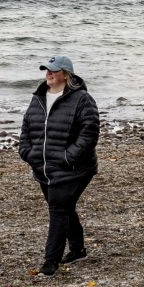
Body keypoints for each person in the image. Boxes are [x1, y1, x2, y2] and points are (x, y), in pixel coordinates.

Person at [18, 54, 100, 275]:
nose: (49, 73)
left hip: (75, 169)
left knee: (58, 209)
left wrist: (68, 157)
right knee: (63, 208)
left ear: (66, 75)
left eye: (54, 69)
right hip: (44, 168)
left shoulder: (82, 99)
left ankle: (50, 262)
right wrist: (27, 153)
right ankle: (78, 249)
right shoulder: (38, 98)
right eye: (47, 69)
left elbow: (89, 133)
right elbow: (26, 128)